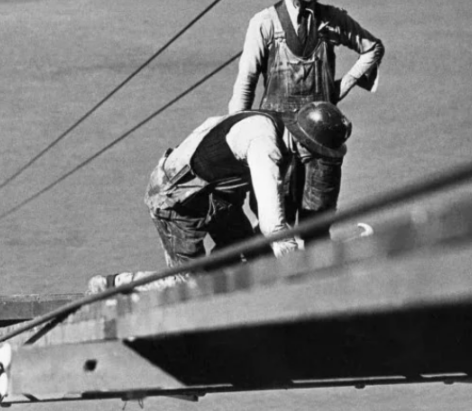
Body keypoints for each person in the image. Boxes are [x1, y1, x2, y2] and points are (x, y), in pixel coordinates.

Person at [87, 101, 352, 293]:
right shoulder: (264, 145)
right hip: (175, 200)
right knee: (190, 288)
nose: (315, 160)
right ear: (305, 142)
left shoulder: (278, 123)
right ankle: (113, 285)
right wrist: (298, 265)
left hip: (216, 198)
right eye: (317, 153)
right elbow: (273, 225)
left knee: (252, 259)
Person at [228, 0, 383, 234]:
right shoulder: (265, 24)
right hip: (277, 138)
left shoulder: (332, 21)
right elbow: (245, 83)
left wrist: (343, 86)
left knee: (318, 222)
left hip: (322, 139)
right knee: (275, 222)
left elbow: (372, 48)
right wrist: (236, 139)